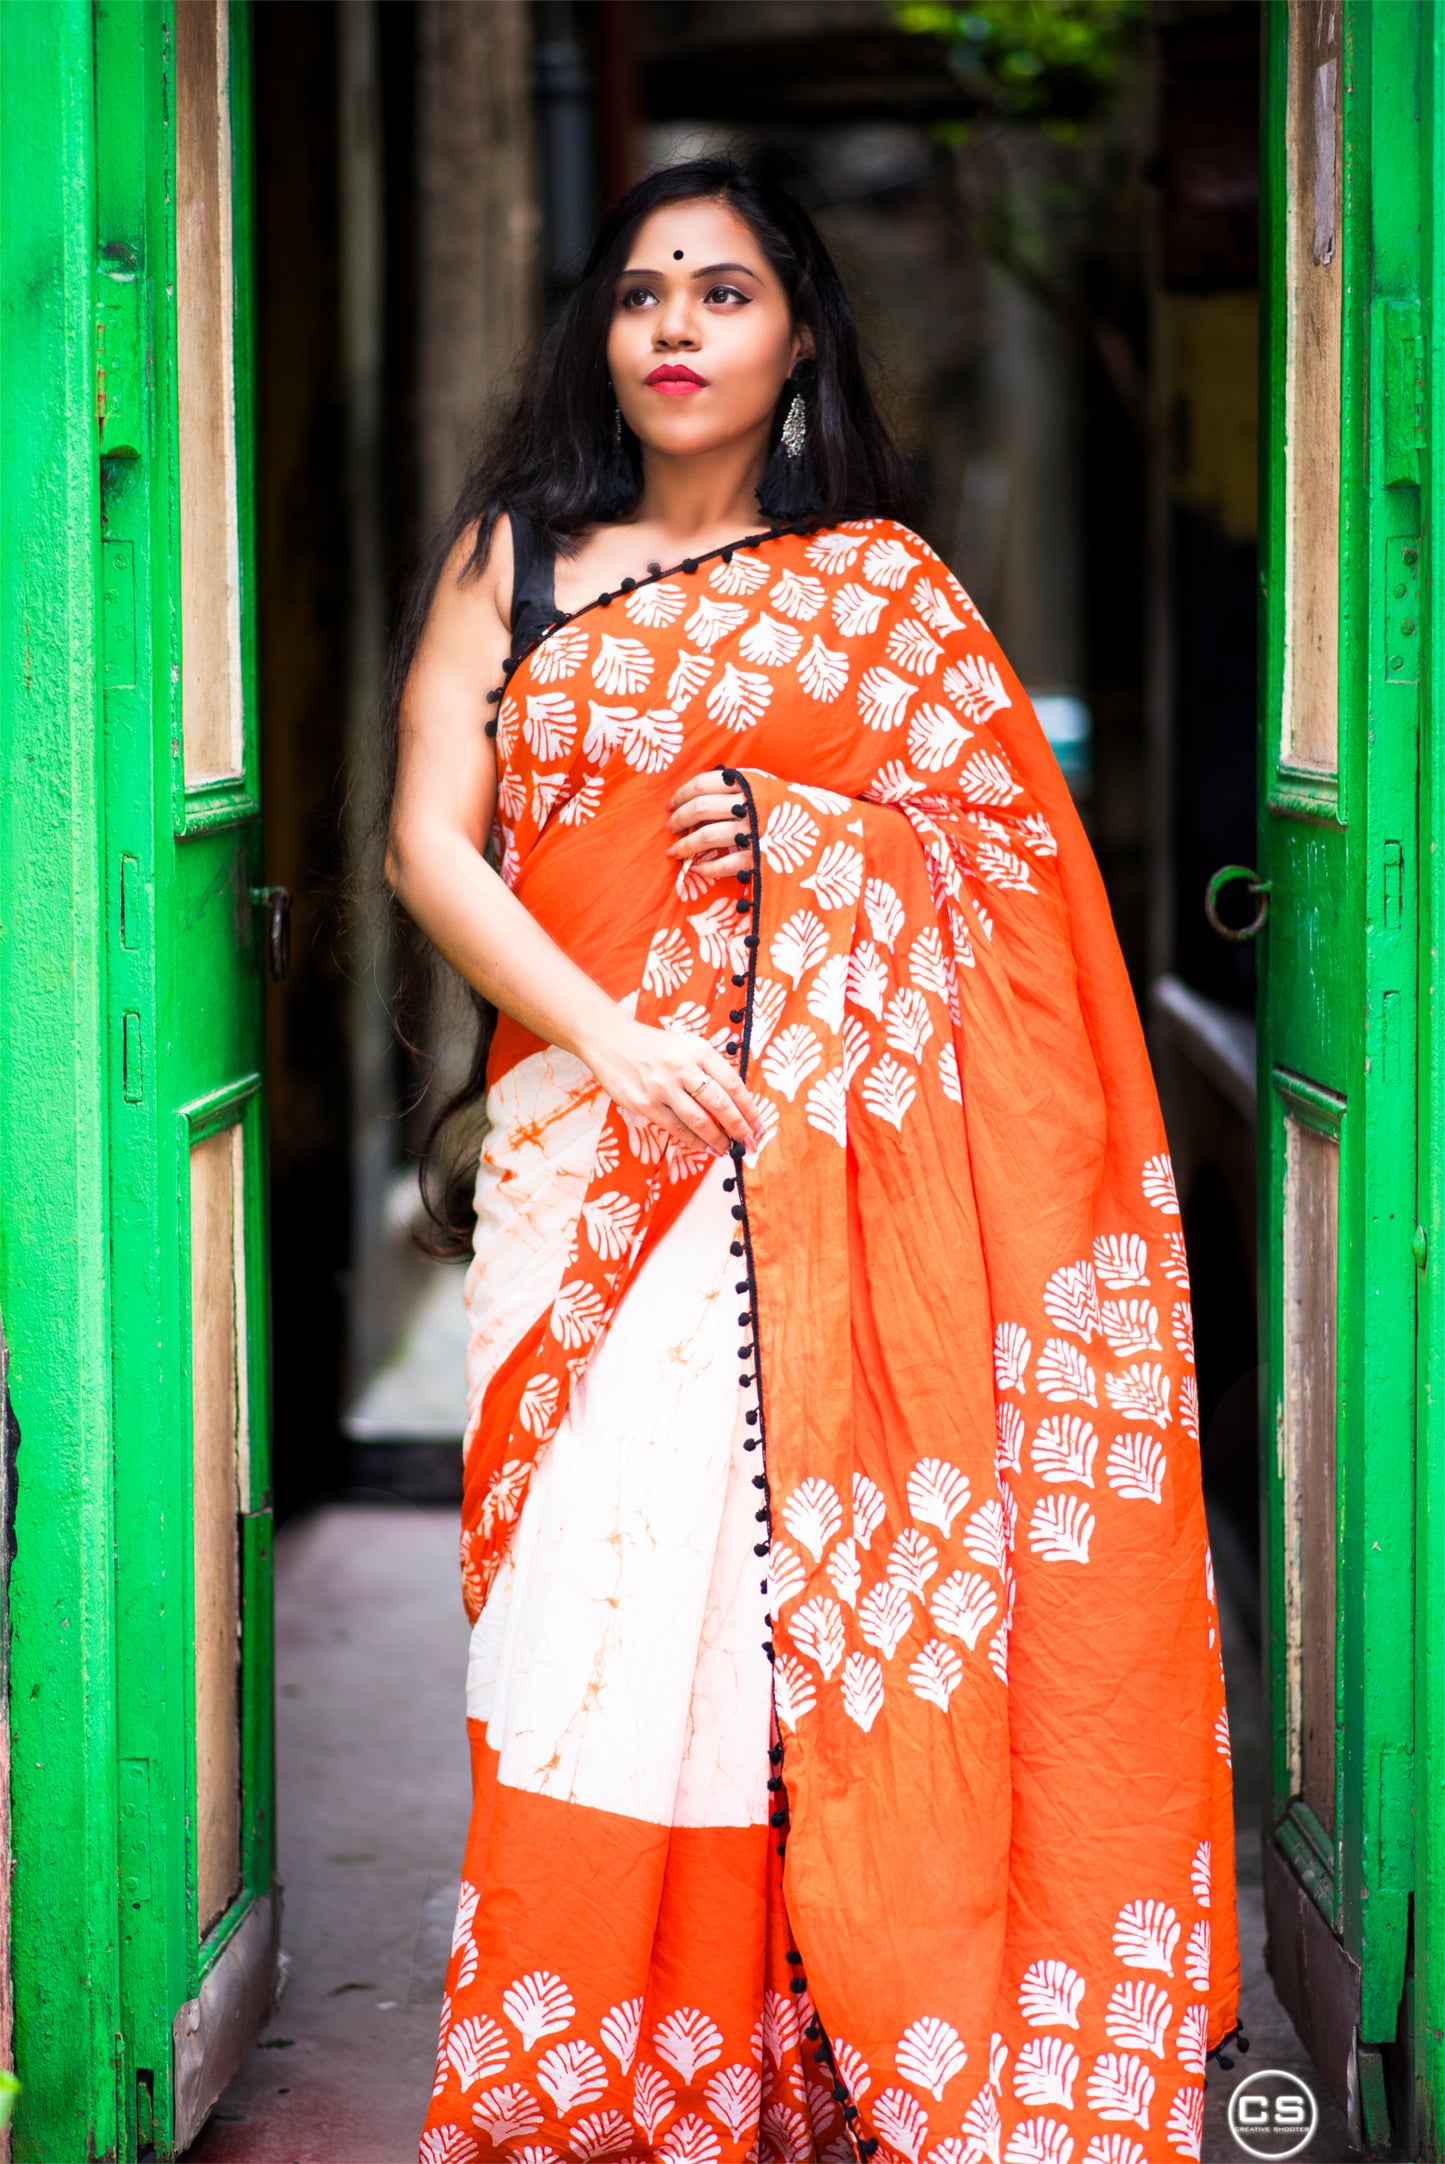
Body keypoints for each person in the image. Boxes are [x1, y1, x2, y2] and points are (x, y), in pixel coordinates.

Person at [386, 157, 1243, 2164]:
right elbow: (435, 837)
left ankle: (817, 2046)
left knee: (777, 1619)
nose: (677, 324)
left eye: (728, 290)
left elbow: (1012, 874)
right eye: (641, 290)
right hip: (579, 1150)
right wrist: (615, 1037)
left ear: (800, 340)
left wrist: (814, 841)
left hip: (796, 1169)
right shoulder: (515, 554)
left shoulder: (880, 596)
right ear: (603, 335)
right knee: (586, 1615)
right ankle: (608, 2059)